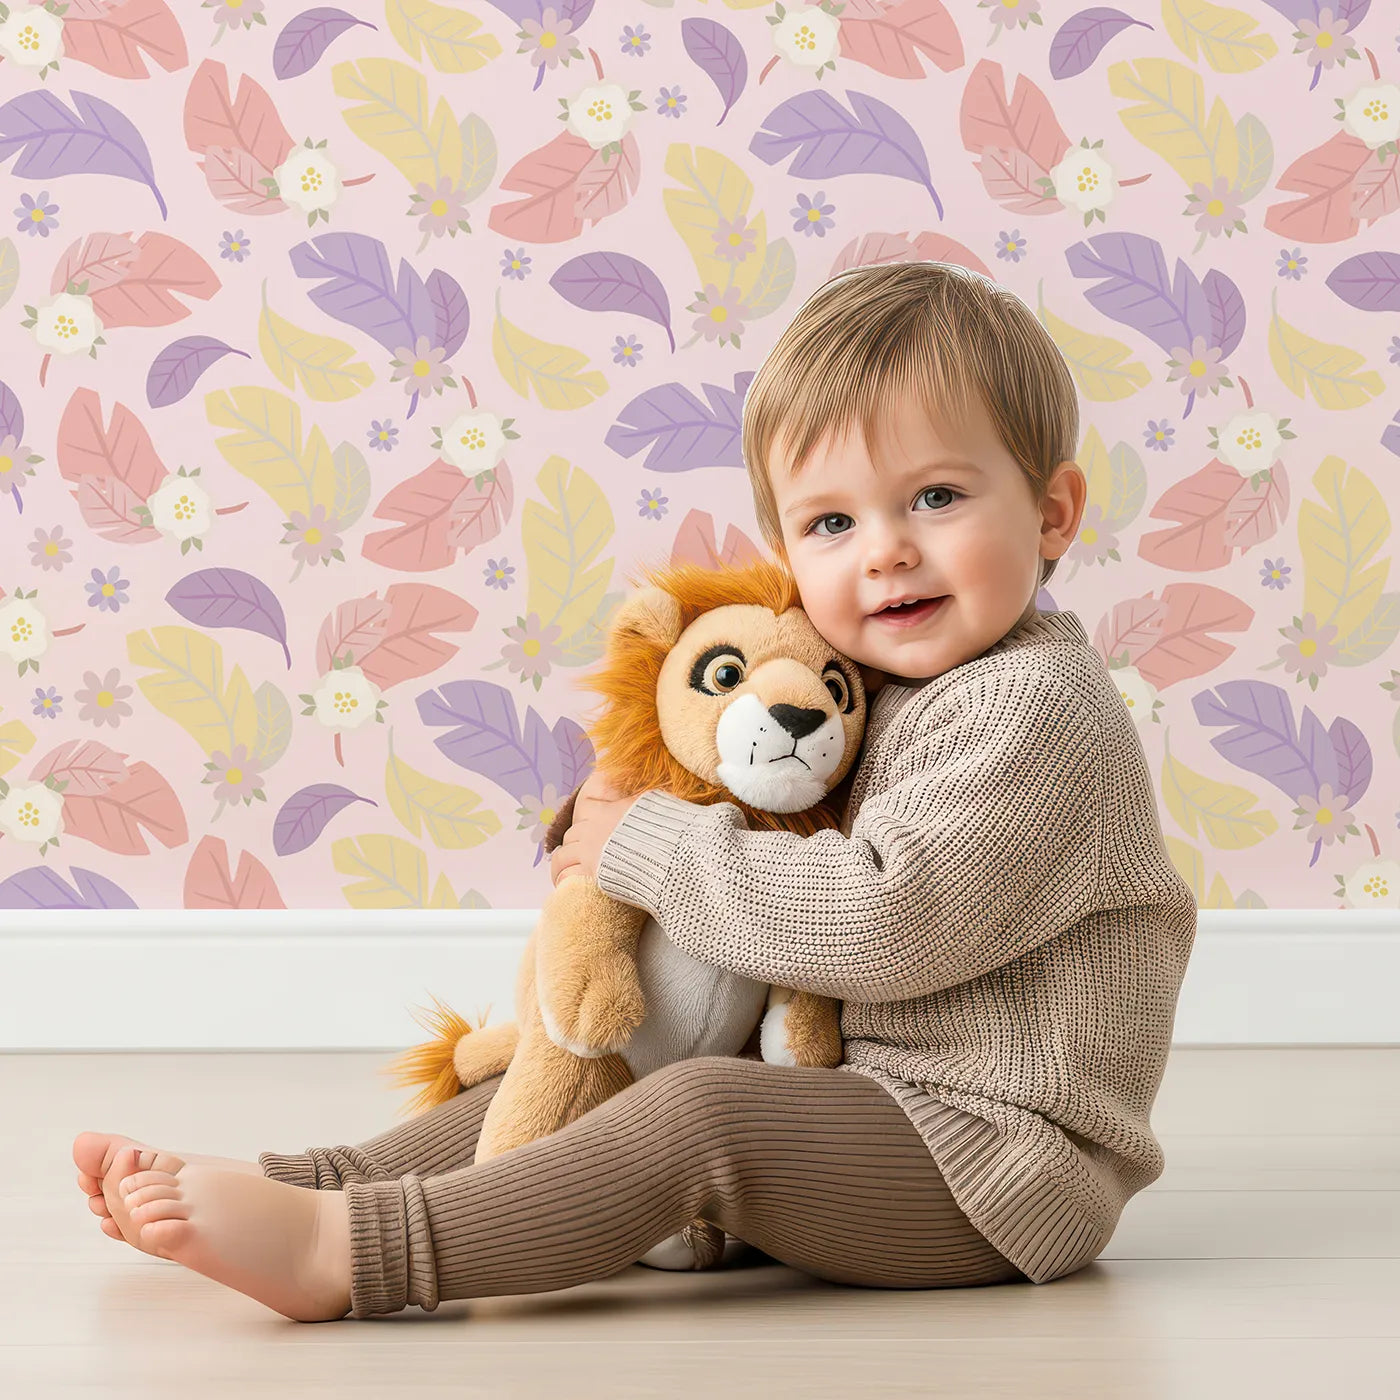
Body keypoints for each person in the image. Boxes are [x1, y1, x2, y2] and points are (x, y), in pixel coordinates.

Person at [73, 261, 1197, 1323]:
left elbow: (881, 920)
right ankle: (321, 1183)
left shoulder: (1031, 707)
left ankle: (357, 1251)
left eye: (936, 496)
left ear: (1051, 512)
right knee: (587, 1066)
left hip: (996, 1157)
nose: (884, 553)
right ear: (784, 549)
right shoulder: (868, 684)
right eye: (831, 523)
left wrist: (652, 845)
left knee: (696, 1113)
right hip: (865, 1104)